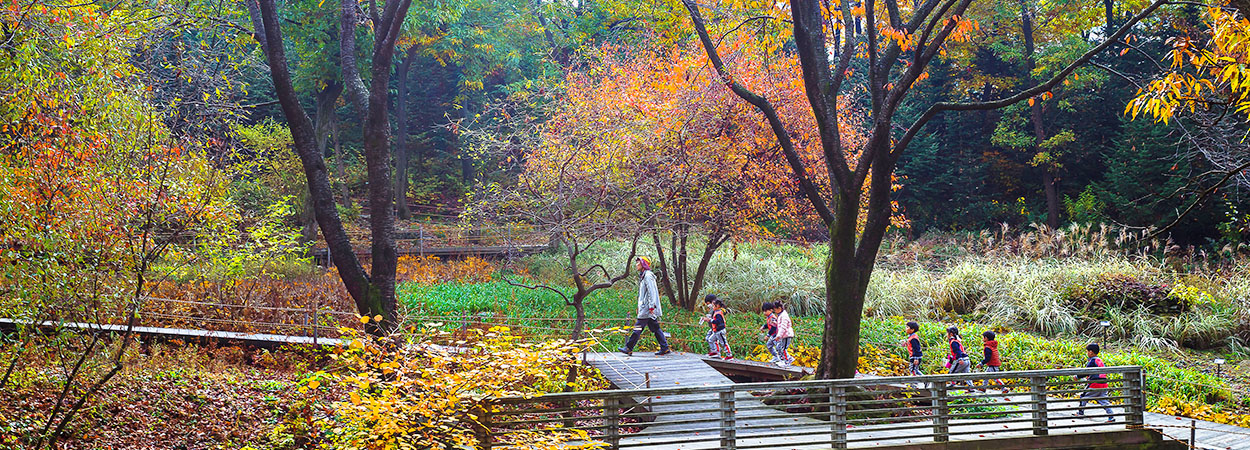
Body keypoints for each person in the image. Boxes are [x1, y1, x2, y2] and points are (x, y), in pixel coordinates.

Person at [619, 256, 670, 356]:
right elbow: (643, 294)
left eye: (638, 263)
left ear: (643, 264)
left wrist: (651, 306)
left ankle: (629, 347)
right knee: (655, 328)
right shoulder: (644, 275)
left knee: (638, 327)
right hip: (646, 307)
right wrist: (640, 306)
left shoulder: (648, 276)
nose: (636, 265)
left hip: (648, 308)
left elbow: (652, 292)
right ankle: (664, 347)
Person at [1076, 343, 1115, 422]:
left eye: (1087, 351)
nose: (1087, 353)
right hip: (1104, 383)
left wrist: (1077, 377)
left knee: (1084, 397)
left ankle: (1080, 413)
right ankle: (1111, 416)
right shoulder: (1099, 360)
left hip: (1095, 384)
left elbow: (1086, 372)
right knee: (1104, 401)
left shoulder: (1093, 361)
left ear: (1091, 352)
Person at [773, 302, 794, 366]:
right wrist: (775, 323)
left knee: (783, 349)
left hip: (786, 335)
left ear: (779, 308)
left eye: (775, 309)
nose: (775, 311)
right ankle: (783, 360)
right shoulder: (781, 315)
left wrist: (779, 336)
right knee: (779, 347)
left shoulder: (784, 316)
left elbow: (783, 327)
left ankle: (787, 361)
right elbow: (780, 325)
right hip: (783, 335)